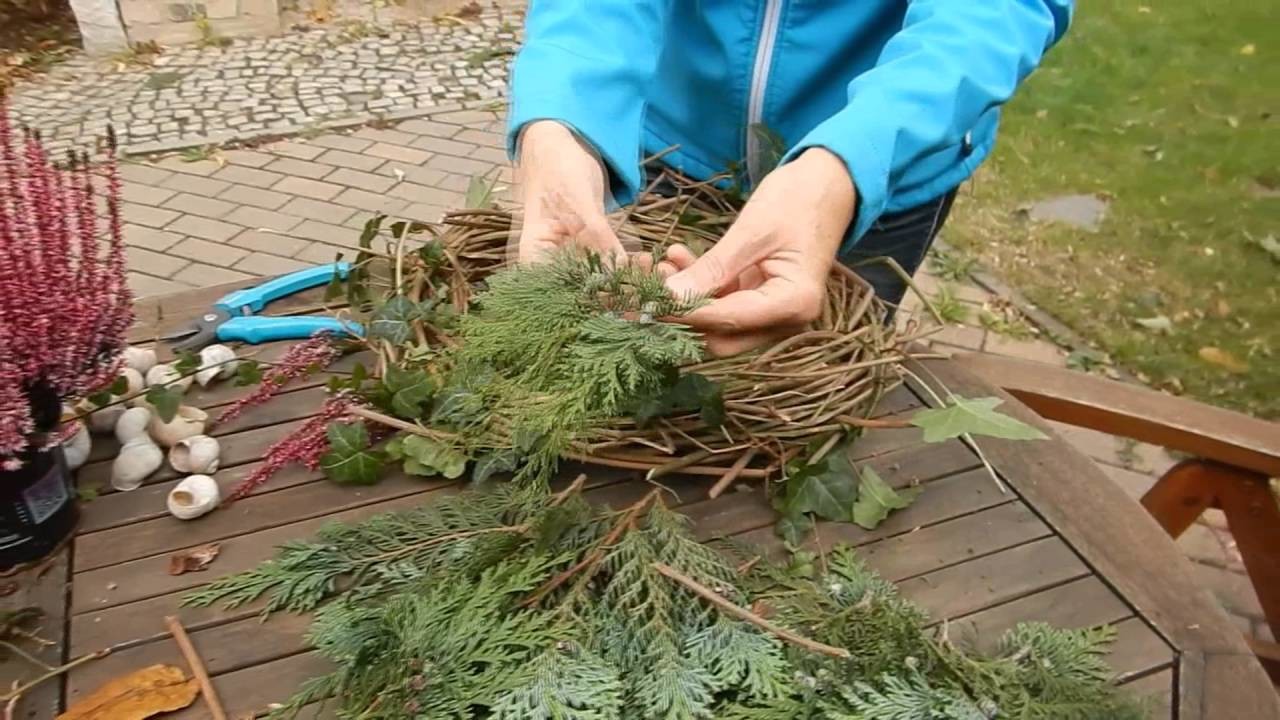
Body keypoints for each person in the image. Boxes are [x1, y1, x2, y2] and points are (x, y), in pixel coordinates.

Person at [507, 0, 1072, 356]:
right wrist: (563, 118)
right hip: (682, 145)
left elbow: (991, 13)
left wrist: (854, 158)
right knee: (674, 353)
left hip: (882, 174)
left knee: (835, 359)